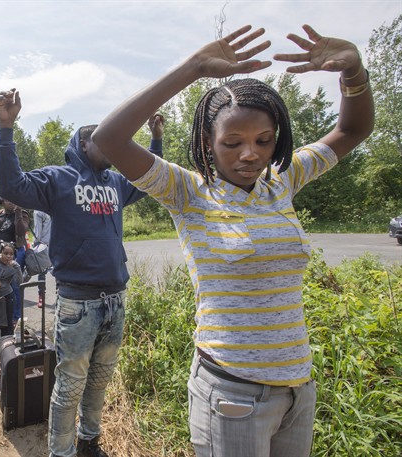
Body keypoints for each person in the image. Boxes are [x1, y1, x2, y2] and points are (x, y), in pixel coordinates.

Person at [92, 24, 374, 457]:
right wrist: (194, 68)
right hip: (232, 393)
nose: (251, 154)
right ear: (207, 141)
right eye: (233, 142)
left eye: (263, 141)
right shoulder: (186, 191)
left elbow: (353, 130)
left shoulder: (282, 180)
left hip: (298, 389)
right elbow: (109, 139)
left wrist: (353, 70)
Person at [0, 88, 164, 457]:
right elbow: (11, 185)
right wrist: (6, 129)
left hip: (115, 301)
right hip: (77, 306)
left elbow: (149, 181)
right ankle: (62, 452)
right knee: (69, 386)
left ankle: (89, 442)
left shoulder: (116, 183)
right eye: (105, 140)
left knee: (99, 382)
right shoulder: (58, 179)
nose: (114, 147)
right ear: (84, 144)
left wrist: (156, 140)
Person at [32, 209, 52, 308]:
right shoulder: (56, 205)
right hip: (58, 244)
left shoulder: (38, 211)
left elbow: (37, 232)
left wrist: (35, 244)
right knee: (58, 273)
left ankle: (41, 297)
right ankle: (59, 295)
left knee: (41, 273)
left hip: (44, 246)